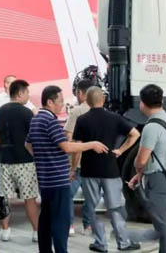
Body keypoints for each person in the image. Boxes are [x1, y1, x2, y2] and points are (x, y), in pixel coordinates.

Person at [25, 85, 109, 253]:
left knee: (46, 219)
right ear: (49, 102)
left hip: (45, 180)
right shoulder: (50, 121)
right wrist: (92, 144)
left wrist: (43, 158)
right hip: (58, 180)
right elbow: (67, 147)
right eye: (60, 101)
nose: (62, 105)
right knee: (60, 222)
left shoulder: (36, 119)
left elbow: (27, 144)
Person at [72, 86, 141, 252]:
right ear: (102, 99)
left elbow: (77, 147)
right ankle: (123, 242)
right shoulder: (114, 118)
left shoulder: (82, 120)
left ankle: (100, 243)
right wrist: (121, 150)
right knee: (115, 207)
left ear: (87, 101)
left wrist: (73, 168)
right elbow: (135, 134)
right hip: (110, 170)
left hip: (89, 171)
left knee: (92, 207)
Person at [128, 84, 166, 253]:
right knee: (163, 223)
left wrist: (137, 168)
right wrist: (139, 175)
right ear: (161, 100)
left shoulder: (151, 127)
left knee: (163, 225)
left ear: (142, 103)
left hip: (157, 179)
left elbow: (142, 159)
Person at [0, 79, 39, 242]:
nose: (28, 95)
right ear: (19, 93)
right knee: (30, 198)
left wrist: (1, 146)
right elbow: (33, 138)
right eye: (27, 92)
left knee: (5, 198)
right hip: (25, 161)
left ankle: (5, 231)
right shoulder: (27, 113)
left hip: (5, 160)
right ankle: (36, 231)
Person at [65, 78, 95, 236]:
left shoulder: (76, 111)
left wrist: (71, 165)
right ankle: (88, 225)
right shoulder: (100, 111)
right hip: (94, 163)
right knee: (91, 196)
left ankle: (70, 225)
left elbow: (69, 137)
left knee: (68, 194)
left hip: (78, 163)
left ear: (81, 93)